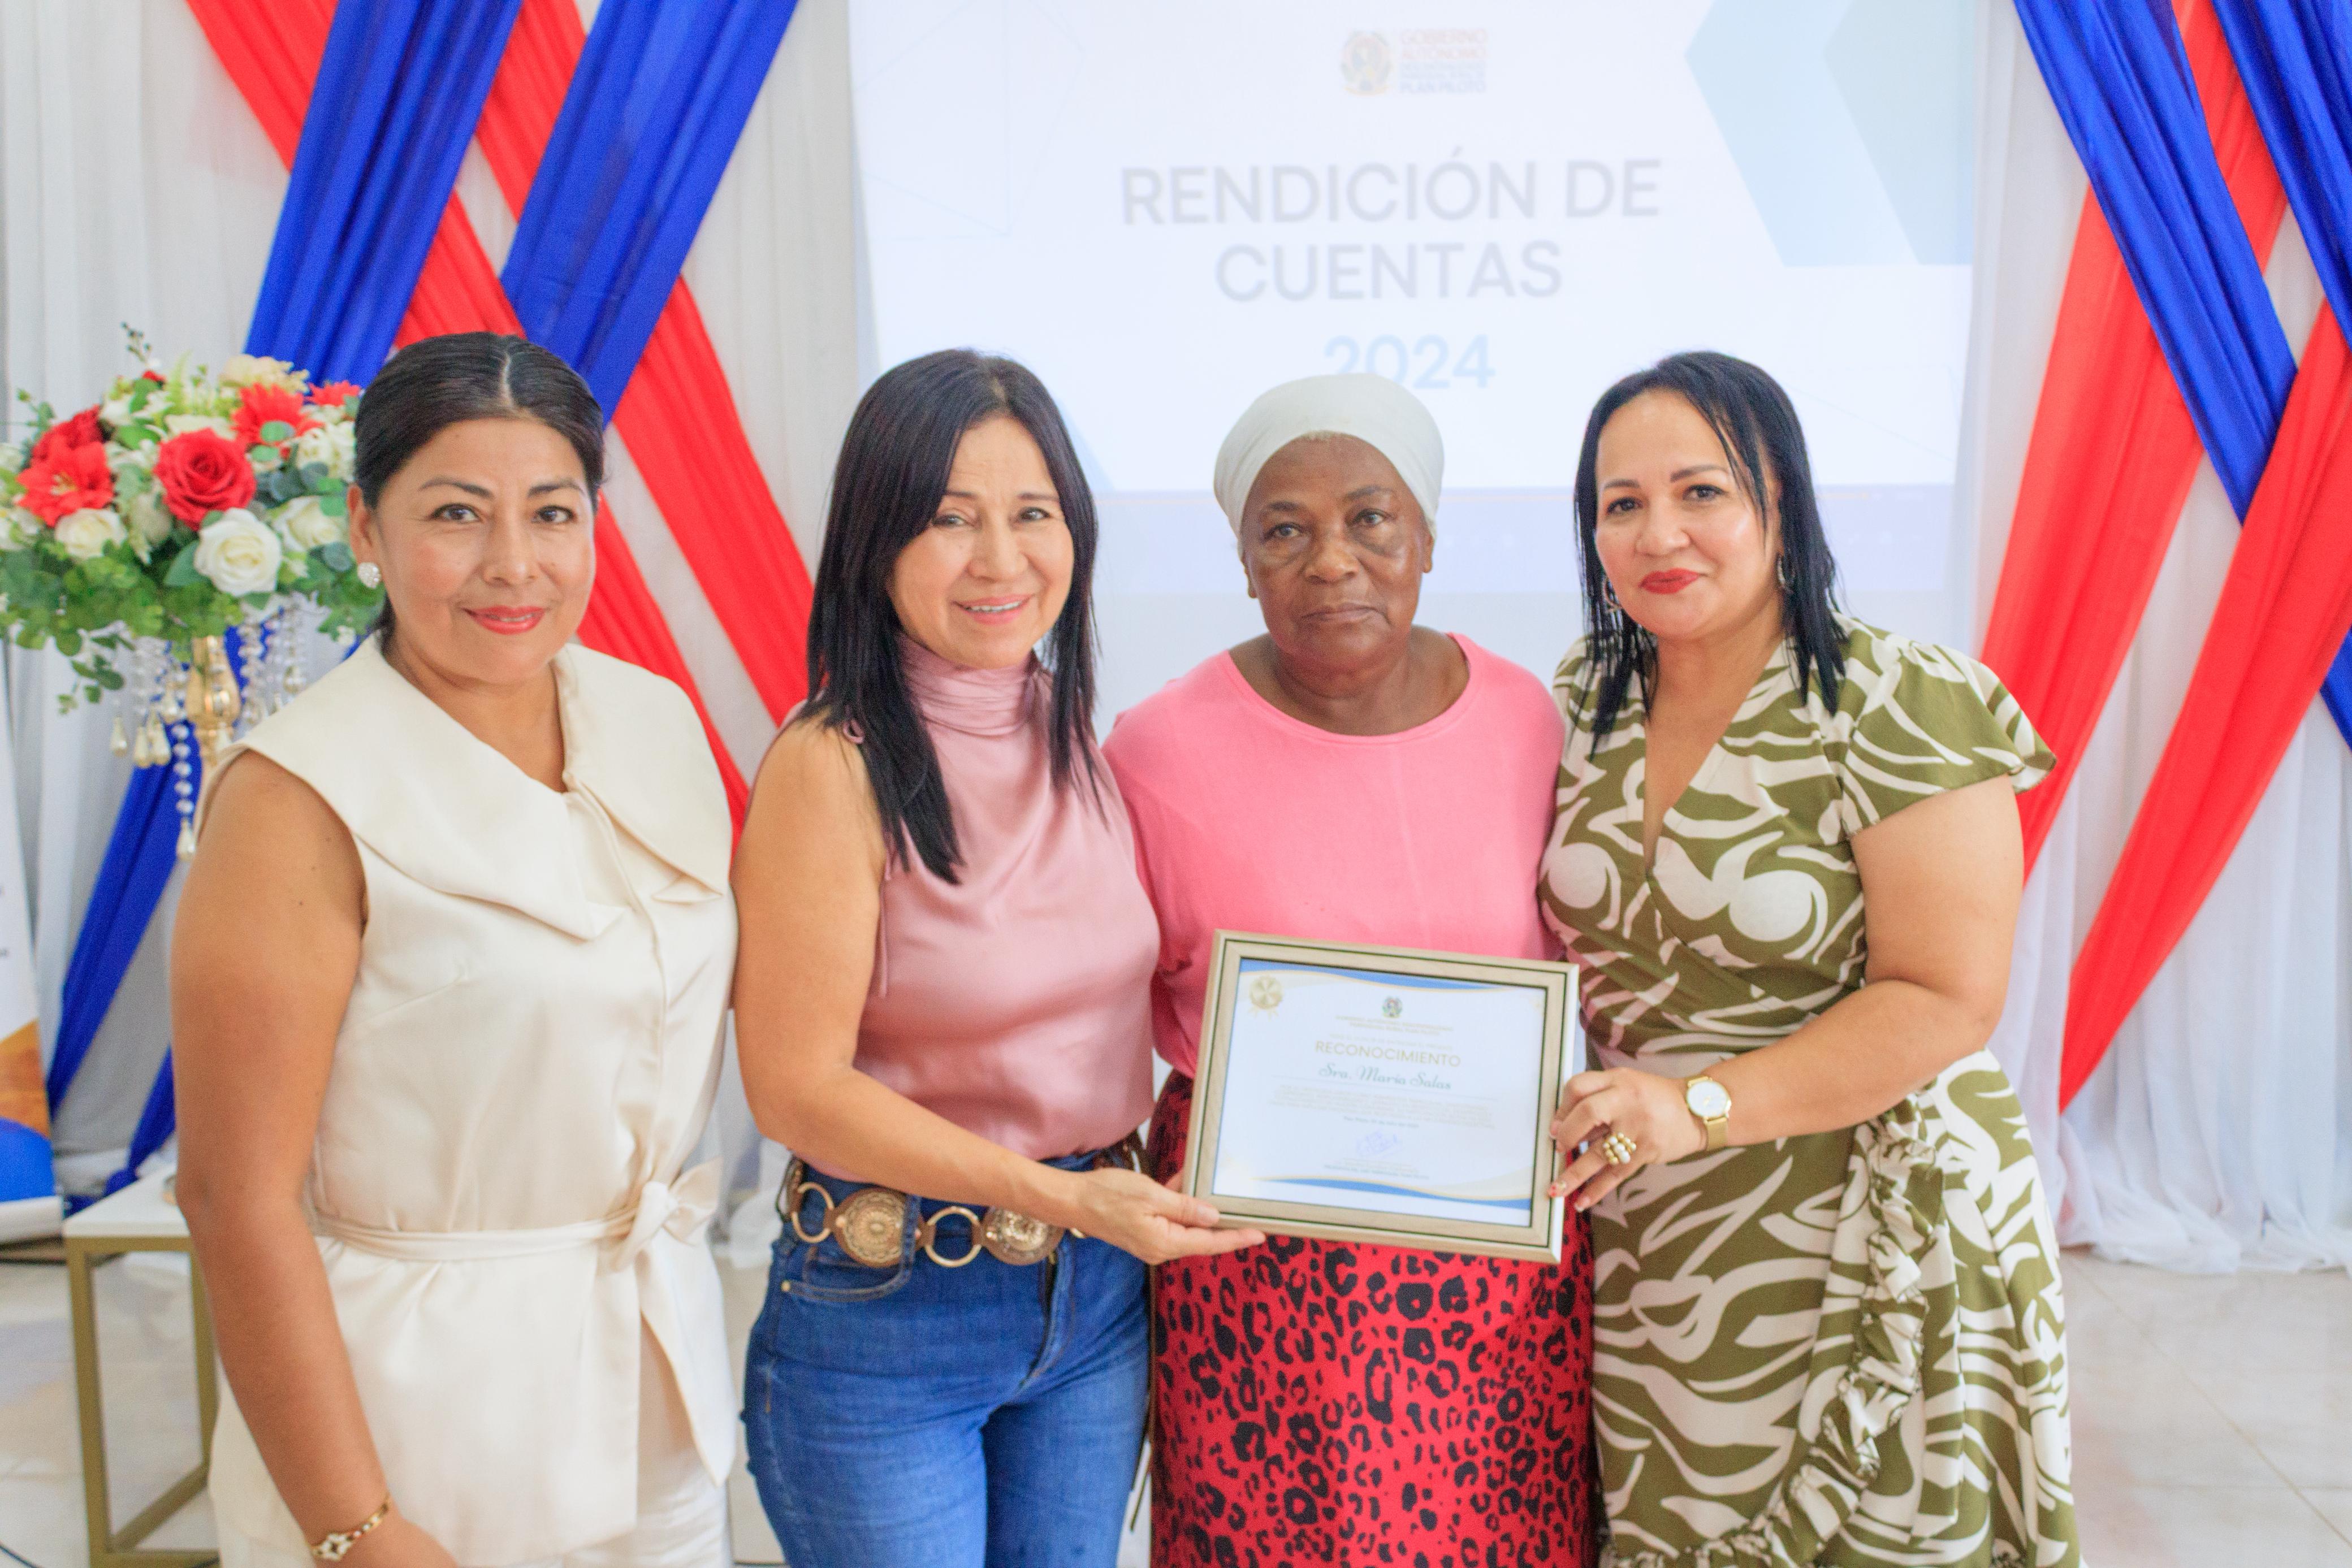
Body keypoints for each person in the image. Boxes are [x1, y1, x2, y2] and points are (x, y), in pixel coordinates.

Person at [173, 333, 739, 1568]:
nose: (513, 563)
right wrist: (358, 1525)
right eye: (455, 514)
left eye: (552, 513)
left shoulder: (652, 718)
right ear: (364, 529)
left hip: (656, 1389)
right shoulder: (297, 795)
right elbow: (231, 1197)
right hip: (413, 1412)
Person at [1540, 351, 2081, 1567]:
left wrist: (1698, 1107)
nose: (1658, 533)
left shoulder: (1903, 697)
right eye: (1621, 503)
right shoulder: (1584, 697)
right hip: (1656, 1220)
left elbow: (1946, 997)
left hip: (1873, 1215)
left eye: (1702, 491)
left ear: (1778, 498)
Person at [732, 349, 1256, 1567]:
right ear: (875, 537)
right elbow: (795, 1090)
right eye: (949, 519)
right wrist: (1062, 1198)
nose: (1001, 560)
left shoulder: (1073, 728)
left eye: (1033, 515)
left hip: (1094, 1306)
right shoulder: (830, 764)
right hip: (891, 1312)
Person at [1102, 374, 1600, 1566]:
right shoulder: (1155, 748)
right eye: (1285, 531)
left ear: (1426, 536)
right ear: (1244, 563)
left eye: (1370, 518)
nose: (1332, 560)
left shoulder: (1532, 722)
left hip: (1490, 1256)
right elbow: (1118, 993)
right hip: (1249, 1255)